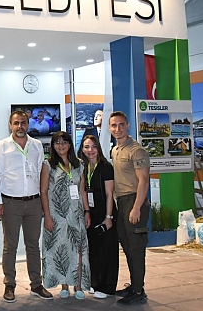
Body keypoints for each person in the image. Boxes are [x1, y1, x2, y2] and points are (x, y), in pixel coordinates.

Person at [0, 110, 53, 303]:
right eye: (16, 123)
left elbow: (40, 173)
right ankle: (10, 284)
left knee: (33, 245)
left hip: (34, 203)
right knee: (10, 246)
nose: (20, 126)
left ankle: (36, 283)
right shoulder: (1, 147)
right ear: (10, 125)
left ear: (28, 123)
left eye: (23, 123)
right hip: (10, 203)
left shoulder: (36, 146)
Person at [40, 131, 91, 300]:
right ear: (53, 146)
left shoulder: (80, 165)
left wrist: (87, 211)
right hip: (56, 214)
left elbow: (82, 190)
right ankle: (63, 285)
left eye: (64, 142)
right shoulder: (48, 165)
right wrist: (47, 216)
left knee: (77, 249)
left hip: (76, 214)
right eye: (57, 142)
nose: (61, 145)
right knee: (60, 248)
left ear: (70, 144)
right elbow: (43, 192)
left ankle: (78, 285)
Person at [109, 111, 150, 305]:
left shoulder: (136, 150)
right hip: (121, 203)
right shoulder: (116, 150)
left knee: (136, 249)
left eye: (121, 125)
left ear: (128, 126)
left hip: (134, 202)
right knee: (127, 247)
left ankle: (138, 290)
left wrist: (136, 208)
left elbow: (144, 181)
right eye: (114, 126)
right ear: (110, 128)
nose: (118, 129)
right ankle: (134, 285)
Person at [80, 135, 119, 299]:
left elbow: (110, 194)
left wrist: (108, 217)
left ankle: (107, 287)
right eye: (87, 147)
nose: (90, 150)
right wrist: (87, 212)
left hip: (105, 212)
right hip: (92, 213)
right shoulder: (83, 167)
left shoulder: (105, 167)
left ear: (99, 148)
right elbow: (83, 191)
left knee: (107, 251)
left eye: (94, 147)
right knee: (94, 250)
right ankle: (95, 283)